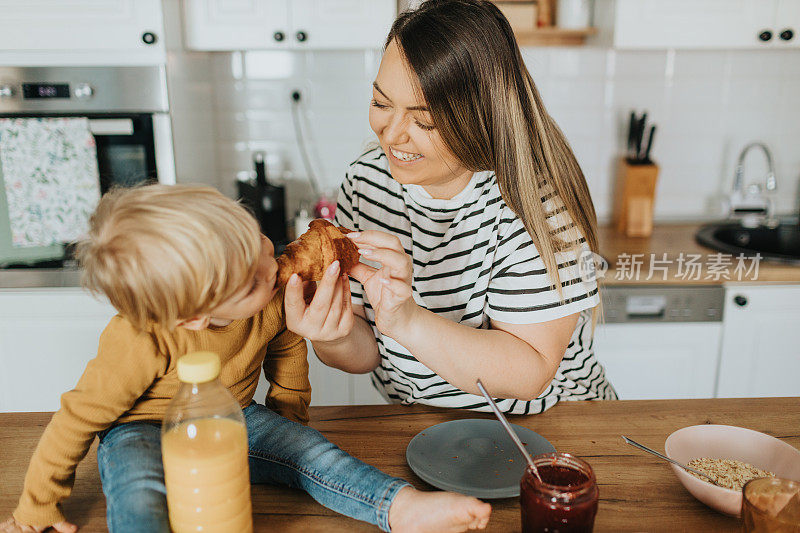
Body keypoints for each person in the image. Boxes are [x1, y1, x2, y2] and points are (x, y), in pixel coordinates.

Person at [0, 184, 491, 533]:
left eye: (258, 239)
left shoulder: (271, 294)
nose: (271, 265)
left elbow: (287, 355)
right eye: (254, 280)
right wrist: (36, 507)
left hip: (233, 418)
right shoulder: (138, 341)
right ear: (192, 318)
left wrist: (289, 427)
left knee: (316, 455)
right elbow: (75, 420)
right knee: (139, 490)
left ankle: (398, 507)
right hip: (142, 428)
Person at [286, 0, 616, 415]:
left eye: (424, 121)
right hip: (426, 427)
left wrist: (407, 320)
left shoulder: (536, 209)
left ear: (480, 118)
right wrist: (330, 336)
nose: (393, 135)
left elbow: (530, 372)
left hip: (555, 427)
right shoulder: (367, 181)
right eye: (382, 104)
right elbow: (366, 348)